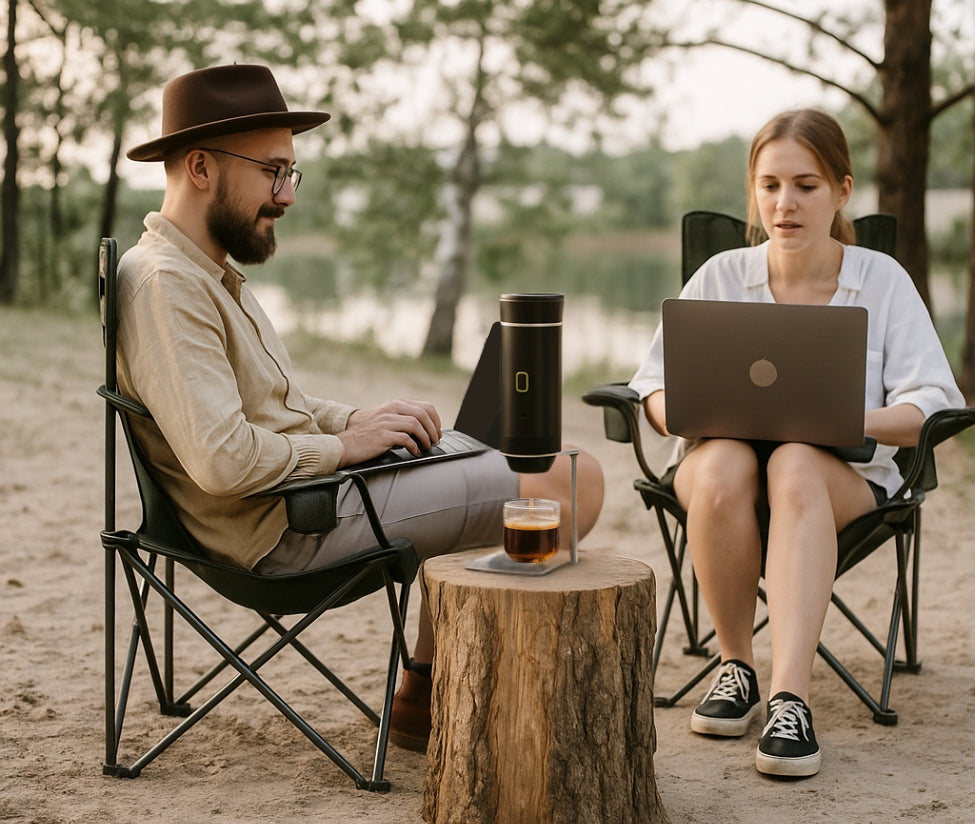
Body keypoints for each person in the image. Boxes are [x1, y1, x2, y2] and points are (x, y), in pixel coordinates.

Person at [118, 64, 604, 753]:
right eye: (273, 171)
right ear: (200, 166)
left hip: (308, 496)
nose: (286, 195)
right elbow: (223, 460)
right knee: (566, 477)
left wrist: (360, 422)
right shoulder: (168, 284)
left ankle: (427, 692)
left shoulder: (206, 271)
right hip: (285, 526)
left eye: (292, 174)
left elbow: (274, 404)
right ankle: (471, 698)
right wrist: (348, 450)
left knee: (499, 450)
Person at [629, 108, 963, 778]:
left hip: (836, 474)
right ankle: (734, 668)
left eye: (805, 185)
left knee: (794, 463)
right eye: (770, 184)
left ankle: (790, 698)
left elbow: (931, 403)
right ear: (753, 190)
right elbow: (651, 388)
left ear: (841, 191)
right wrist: (679, 410)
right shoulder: (722, 275)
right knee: (723, 463)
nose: (785, 203)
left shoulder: (881, 281)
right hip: (715, 468)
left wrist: (841, 416)